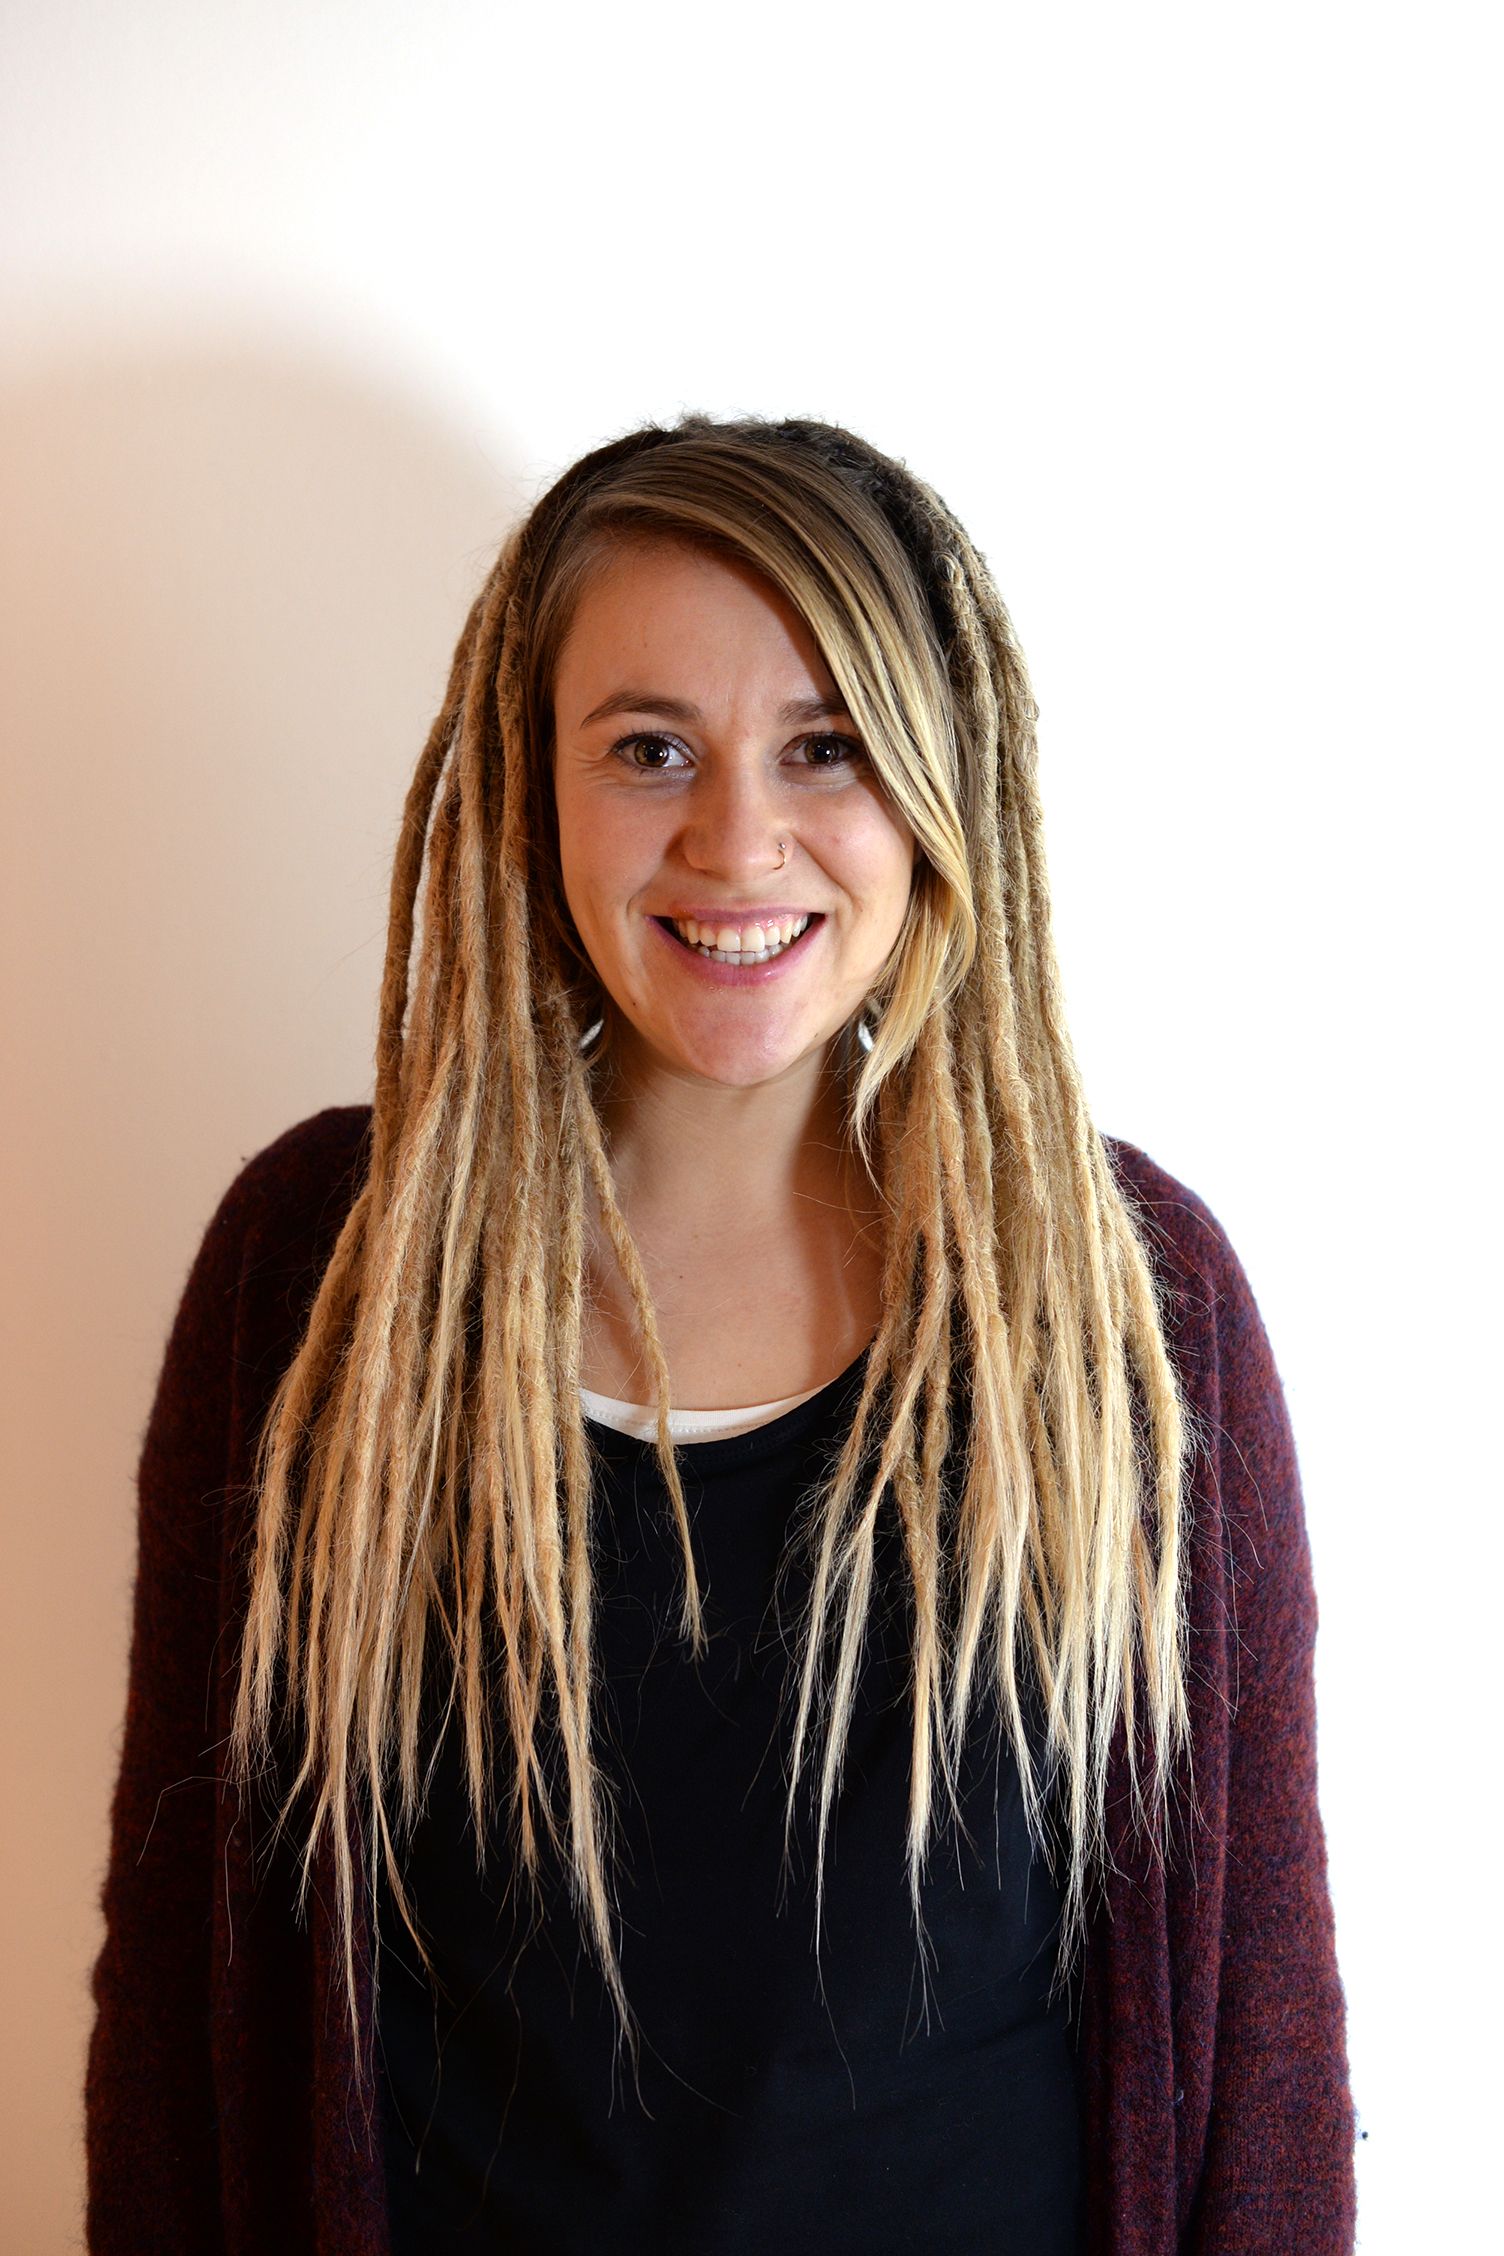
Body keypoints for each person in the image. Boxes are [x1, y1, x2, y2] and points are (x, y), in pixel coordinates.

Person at [85, 416, 1355, 2253]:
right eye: (649, 748)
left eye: (825, 747)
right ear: (531, 782)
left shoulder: (1124, 1307)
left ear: (941, 784)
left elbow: (1263, 2026)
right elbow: (177, 2007)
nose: (736, 840)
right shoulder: (324, 1276)